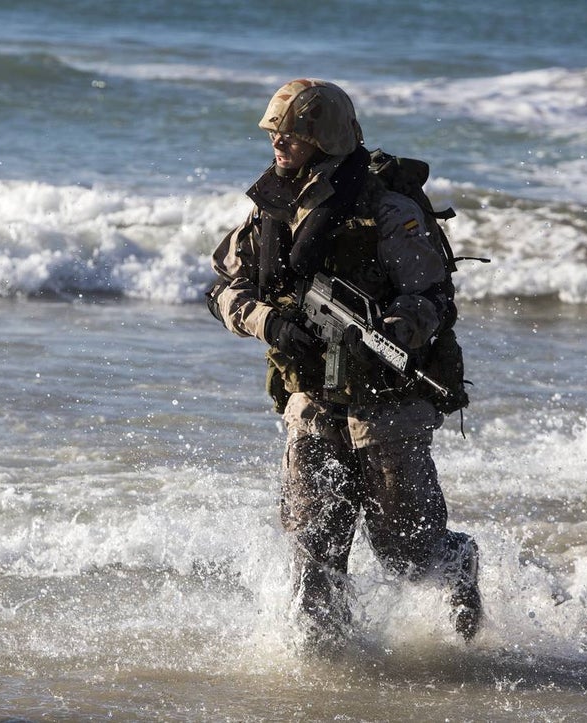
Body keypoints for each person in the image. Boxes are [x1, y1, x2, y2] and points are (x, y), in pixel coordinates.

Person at [206, 78, 481, 652]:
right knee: (313, 552)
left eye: (291, 134)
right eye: (275, 133)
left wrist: (387, 333)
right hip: (311, 400)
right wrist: (269, 323)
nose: (278, 143)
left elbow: (433, 298)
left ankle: (461, 570)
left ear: (325, 138)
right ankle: (329, 671)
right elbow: (224, 289)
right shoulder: (273, 205)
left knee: (410, 554)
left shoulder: (387, 209)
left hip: (386, 405)